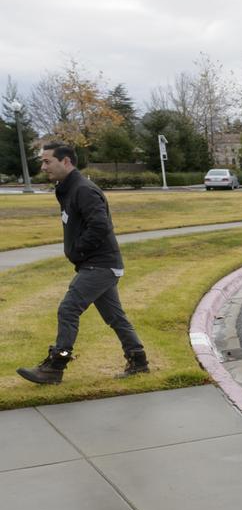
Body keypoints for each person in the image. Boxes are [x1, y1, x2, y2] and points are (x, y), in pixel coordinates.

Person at [17, 143, 148, 384]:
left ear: (66, 161)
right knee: (115, 317)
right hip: (97, 264)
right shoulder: (68, 188)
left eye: (48, 161)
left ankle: (56, 365)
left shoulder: (83, 190)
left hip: (100, 264)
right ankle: (138, 361)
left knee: (69, 308)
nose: (43, 166)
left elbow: (100, 225)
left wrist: (78, 251)